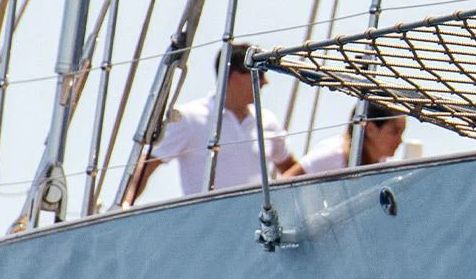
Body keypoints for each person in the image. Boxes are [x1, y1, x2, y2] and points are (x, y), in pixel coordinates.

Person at [134, 44, 304, 198]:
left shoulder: (267, 120)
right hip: (210, 226)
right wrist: (125, 204)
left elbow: (291, 168)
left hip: (258, 222)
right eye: (259, 74)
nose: (265, 82)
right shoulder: (188, 117)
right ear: (235, 76)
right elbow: (146, 166)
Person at [309, 97, 408, 174]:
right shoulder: (330, 156)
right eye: (395, 132)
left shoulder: (387, 167)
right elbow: (293, 184)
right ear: (370, 129)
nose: (400, 141)